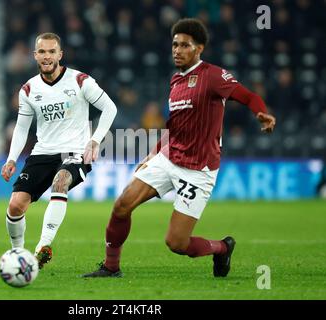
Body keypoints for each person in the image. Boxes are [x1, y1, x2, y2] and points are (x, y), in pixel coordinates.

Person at [82, 18, 276, 278]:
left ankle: (221, 248)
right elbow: (174, 127)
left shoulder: (213, 75)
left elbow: (248, 96)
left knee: (177, 243)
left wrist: (261, 113)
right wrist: (152, 154)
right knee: (121, 206)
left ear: (199, 49)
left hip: (198, 169)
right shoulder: (176, 81)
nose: (177, 50)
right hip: (169, 157)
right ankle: (111, 267)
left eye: (185, 45)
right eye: (175, 44)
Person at [1, 32, 117, 269]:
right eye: (42, 52)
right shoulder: (28, 89)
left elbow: (110, 108)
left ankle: (43, 247)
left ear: (60, 54)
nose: (47, 56)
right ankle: (18, 254)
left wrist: (94, 141)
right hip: (42, 152)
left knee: (60, 181)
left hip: (74, 152)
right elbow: (22, 128)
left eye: (52, 51)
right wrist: (12, 159)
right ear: (35, 55)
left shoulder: (80, 81)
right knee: (15, 206)